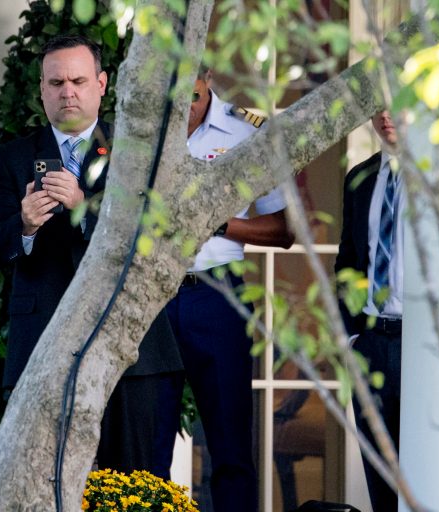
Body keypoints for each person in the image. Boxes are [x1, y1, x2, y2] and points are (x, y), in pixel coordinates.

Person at [0, 34, 183, 479]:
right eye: (55, 83)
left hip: (133, 348)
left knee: (136, 484)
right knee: (39, 482)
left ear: (102, 83)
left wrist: (85, 208)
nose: (67, 91)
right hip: (42, 341)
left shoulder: (137, 152)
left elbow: (158, 242)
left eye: (77, 80)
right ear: (41, 90)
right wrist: (25, 226)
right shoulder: (15, 157)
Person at [164, 67, 294, 512]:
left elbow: (284, 229)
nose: (185, 106)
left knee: (231, 448)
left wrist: (220, 222)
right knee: (146, 447)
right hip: (150, 296)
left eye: (193, 93)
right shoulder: (146, 128)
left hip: (216, 296)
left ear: (207, 75)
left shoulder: (248, 130)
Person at [335, 110, 402, 512]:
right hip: (372, 342)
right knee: (381, 481)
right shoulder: (360, 178)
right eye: (377, 106)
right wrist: (351, 337)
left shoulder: (438, 180)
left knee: (429, 475)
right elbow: (349, 261)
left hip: (426, 349)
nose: (385, 116)